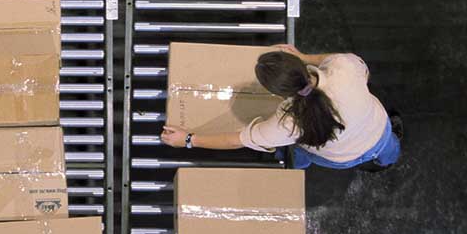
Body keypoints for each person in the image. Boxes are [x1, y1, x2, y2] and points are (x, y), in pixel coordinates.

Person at [161, 45, 403, 171]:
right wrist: (305, 56)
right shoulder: (343, 68)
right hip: (379, 129)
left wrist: (189, 139)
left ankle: (295, 162)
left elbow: (237, 139)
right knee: (389, 149)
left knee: (301, 152)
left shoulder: (288, 124)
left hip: (343, 157)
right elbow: (359, 68)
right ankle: (386, 162)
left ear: (277, 94)